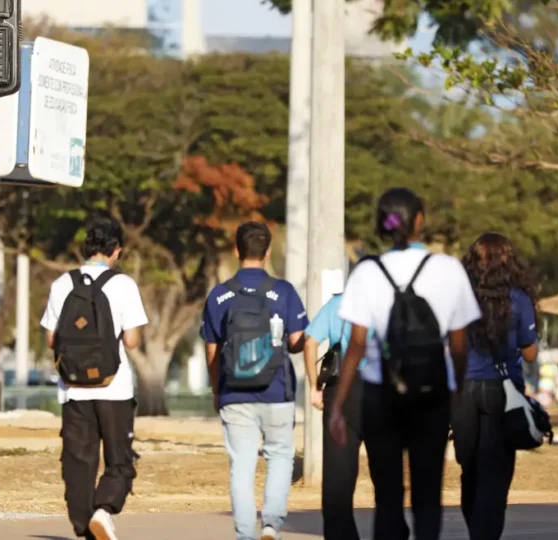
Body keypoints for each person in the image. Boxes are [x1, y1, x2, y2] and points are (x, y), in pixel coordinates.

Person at [328, 188, 482, 540]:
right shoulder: (448, 269)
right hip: (432, 393)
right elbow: (460, 345)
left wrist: (338, 405)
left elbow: (356, 344)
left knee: (388, 498)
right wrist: (455, 392)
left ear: (381, 224)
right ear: (419, 220)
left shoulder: (367, 272)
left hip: (380, 395)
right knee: (428, 493)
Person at [40, 214, 149, 540]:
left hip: (73, 389)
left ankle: (85, 526)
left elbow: (50, 340)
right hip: (114, 388)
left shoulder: (62, 284)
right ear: (116, 250)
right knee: (120, 461)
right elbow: (130, 341)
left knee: (78, 464)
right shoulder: (124, 284)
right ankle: (104, 511)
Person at [201, 221, 308, 540]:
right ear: (268, 251)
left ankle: (245, 534)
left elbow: (212, 348)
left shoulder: (219, 296)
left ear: (236, 250)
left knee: (242, 466)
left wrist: (216, 388)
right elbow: (297, 341)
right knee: (279, 456)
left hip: (234, 392)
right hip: (277, 391)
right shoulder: (284, 291)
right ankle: (272, 524)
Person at [454, 233, 538, 540]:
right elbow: (529, 352)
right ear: (508, 261)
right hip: (503, 391)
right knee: (496, 472)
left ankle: (477, 530)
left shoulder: (458, 297)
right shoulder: (518, 299)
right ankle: (484, 534)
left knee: (470, 468)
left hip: (461, 391)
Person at [303, 286, 371, 540]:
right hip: (380, 393)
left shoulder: (338, 303)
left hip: (341, 393)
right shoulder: (389, 304)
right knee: (388, 479)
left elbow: (310, 342)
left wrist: (313, 386)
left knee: (337, 482)